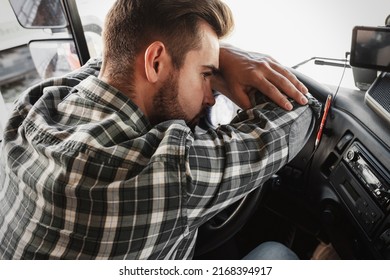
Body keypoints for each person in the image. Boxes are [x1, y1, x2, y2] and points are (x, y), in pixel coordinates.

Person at [0, 0, 320, 260]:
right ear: (155, 62)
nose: (210, 96)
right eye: (207, 75)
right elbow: (301, 111)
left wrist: (211, 57)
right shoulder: (164, 172)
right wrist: (229, 60)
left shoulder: (33, 108)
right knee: (277, 254)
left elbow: (112, 60)